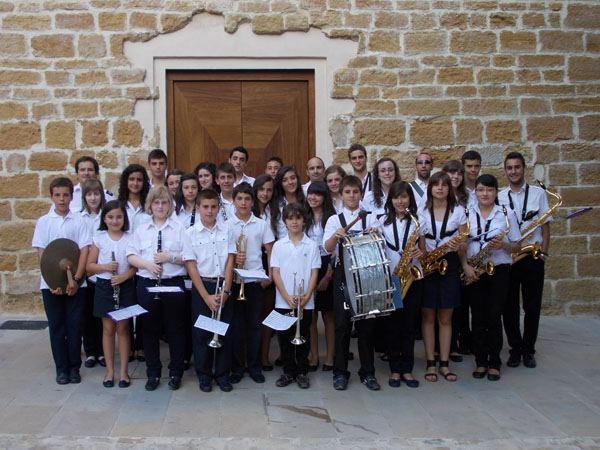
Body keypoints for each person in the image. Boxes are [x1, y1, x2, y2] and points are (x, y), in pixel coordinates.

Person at [127, 186, 187, 391]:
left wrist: (169, 257)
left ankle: (176, 372)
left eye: (164, 202)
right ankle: (153, 373)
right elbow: (131, 255)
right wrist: (148, 265)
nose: (160, 206)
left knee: (175, 331)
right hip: (148, 284)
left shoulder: (179, 227)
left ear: (170, 205)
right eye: (156, 203)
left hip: (173, 284)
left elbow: (188, 257)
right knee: (149, 330)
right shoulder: (141, 229)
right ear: (150, 205)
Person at [323, 175, 381, 391]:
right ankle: (340, 373)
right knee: (341, 326)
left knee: (366, 325)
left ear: (361, 194)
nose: (352, 196)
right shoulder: (334, 220)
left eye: (355, 192)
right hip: (342, 275)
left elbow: (380, 246)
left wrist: (376, 234)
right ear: (341, 195)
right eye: (347, 192)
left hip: (366, 275)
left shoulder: (370, 217)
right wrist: (335, 236)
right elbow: (328, 248)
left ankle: (368, 372)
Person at [461, 175, 521, 381]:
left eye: (489, 190)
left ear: (496, 192)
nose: (485, 194)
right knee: (477, 317)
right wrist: (466, 266)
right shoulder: (466, 214)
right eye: (481, 190)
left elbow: (517, 245)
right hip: (475, 270)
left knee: (495, 317)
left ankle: (494, 362)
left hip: (498, 270)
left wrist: (503, 246)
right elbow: (462, 245)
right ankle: (480, 361)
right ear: (475, 192)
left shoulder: (506, 214)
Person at [32, 177, 91, 385]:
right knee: (57, 326)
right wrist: (51, 282)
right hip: (51, 285)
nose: (62, 199)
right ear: (51, 197)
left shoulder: (80, 221)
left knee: (74, 325)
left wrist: (76, 279)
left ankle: (75, 368)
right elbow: (42, 253)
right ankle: (61, 369)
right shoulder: (44, 222)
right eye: (57, 195)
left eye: (65, 195)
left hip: (76, 283)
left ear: (71, 196)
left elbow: (84, 251)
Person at [498, 152, 552, 369]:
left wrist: (544, 254)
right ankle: (515, 349)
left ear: (524, 168)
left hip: (532, 256)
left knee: (532, 306)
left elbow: (546, 227)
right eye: (510, 168)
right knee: (508, 307)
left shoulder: (539, 194)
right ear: (505, 170)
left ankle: (529, 350)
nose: (513, 171)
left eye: (517, 167)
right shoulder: (500, 197)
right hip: (510, 257)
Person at [183, 189, 236, 393]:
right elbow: (191, 266)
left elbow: (230, 260)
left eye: (214, 206)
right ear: (198, 209)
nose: (210, 211)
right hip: (202, 286)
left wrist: (227, 291)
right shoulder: (190, 233)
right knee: (202, 333)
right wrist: (205, 296)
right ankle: (204, 375)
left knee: (224, 331)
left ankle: (222, 374)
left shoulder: (227, 230)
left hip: (223, 284)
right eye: (205, 207)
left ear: (219, 208)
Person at [420, 172, 467, 383]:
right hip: (429, 266)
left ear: (450, 188)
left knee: (446, 317)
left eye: (444, 185)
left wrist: (460, 248)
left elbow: (464, 242)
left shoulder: (458, 211)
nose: (440, 188)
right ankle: (431, 362)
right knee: (428, 316)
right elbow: (420, 245)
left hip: (450, 263)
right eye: (436, 185)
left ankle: (445, 363)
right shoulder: (421, 212)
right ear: (430, 189)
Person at [86, 200, 137, 388]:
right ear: (104, 219)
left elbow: (134, 267)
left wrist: (124, 277)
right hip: (105, 287)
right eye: (111, 217)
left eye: (119, 217)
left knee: (123, 329)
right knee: (108, 330)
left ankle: (123, 372)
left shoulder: (130, 237)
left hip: (124, 286)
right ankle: (110, 371)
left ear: (124, 218)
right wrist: (105, 267)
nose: (115, 221)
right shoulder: (99, 238)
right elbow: (89, 266)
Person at [228, 183, 275, 384]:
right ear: (234, 201)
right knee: (237, 326)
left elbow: (271, 251)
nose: (244, 203)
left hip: (255, 280)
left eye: (247, 199)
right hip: (235, 280)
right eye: (240, 199)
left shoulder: (261, 224)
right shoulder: (227, 224)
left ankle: (254, 366)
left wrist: (270, 277)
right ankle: (238, 367)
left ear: (252, 201)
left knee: (255, 326)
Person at [270, 203, 321, 389]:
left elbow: (315, 272)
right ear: (284, 221)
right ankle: (288, 371)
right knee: (284, 337)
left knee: (304, 335)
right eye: (290, 218)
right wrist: (285, 296)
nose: (294, 222)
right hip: (283, 300)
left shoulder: (312, 245)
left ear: (303, 220)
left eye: (298, 218)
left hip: (305, 301)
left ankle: (301, 371)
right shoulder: (278, 245)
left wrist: (307, 296)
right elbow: (275, 272)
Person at [379, 181, 423, 388]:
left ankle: (408, 369)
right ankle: (395, 369)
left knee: (409, 326)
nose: (400, 201)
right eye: (396, 197)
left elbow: (424, 250)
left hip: (412, 278)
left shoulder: (418, 221)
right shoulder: (382, 223)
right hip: (393, 278)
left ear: (410, 199)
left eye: (404, 197)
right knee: (393, 326)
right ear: (391, 200)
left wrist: (419, 253)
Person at [441, 159, 471, 360]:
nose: (455, 177)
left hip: (464, 254)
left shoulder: (470, 198)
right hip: (445, 258)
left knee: (459, 304)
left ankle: (463, 342)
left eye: (459, 173)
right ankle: (447, 346)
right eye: (451, 173)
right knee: (445, 307)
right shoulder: (438, 199)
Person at [304, 181, 336, 372]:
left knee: (328, 315)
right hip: (308, 266)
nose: (313, 198)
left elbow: (335, 251)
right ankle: (314, 356)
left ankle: (330, 356)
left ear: (324, 196)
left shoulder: (332, 218)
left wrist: (328, 276)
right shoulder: (304, 216)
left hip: (327, 265)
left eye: (317, 194)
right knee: (311, 316)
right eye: (310, 194)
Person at [252, 175, 279, 370]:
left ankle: (264, 356)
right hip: (252, 262)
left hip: (272, 261)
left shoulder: (276, 212)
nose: (265, 193)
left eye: (269, 190)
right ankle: (248, 356)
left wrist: (271, 274)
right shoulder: (247, 210)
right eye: (262, 189)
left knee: (268, 312)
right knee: (251, 314)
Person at [80, 179, 106, 370]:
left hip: (102, 272)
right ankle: (90, 351)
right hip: (85, 272)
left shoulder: (106, 217)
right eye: (89, 194)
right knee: (87, 314)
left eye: (96, 194)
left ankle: (103, 352)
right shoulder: (79, 218)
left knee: (102, 315)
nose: (93, 197)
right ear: (84, 197)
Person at [269, 165, 305, 240]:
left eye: (293, 178)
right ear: (280, 184)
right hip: (282, 247)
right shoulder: (275, 204)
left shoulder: (306, 200)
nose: (290, 182)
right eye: (285, 180)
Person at [118, 164, 150, 233]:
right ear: (126, 181)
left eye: (139, 180)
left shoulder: (150, 205)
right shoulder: (119, 205)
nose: (135, 183)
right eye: (132, 179)